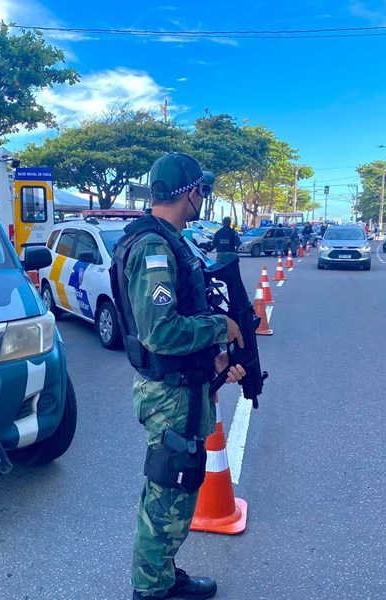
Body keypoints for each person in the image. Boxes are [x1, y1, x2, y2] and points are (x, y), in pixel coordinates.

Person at [110, 152, 247, 600]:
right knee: (168, 492)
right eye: (201, 190)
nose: (202, 198)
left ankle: (163, 576)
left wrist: (214, 362)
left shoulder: (169, 239)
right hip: (169, 395)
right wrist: (219, 328)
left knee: (177, 489)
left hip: (183, 387)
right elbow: (161, 331)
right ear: (191, 193)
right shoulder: (154, 247)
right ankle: (150, 590)